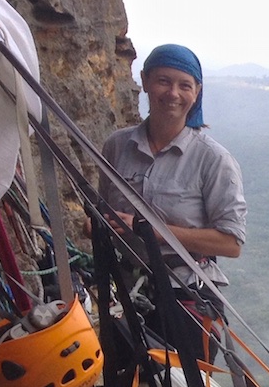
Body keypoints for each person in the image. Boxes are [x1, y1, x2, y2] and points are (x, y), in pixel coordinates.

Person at [100, 44, 246, 288]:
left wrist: (150, 230)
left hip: (186, 290)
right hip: (124, 286)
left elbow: (230, 244)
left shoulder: (213, 159)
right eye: (164, 81)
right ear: (145, 81)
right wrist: (98, 224)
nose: (173, 93)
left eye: (185, 85)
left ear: (197, 92)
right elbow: (100, 209)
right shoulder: (117, 146)